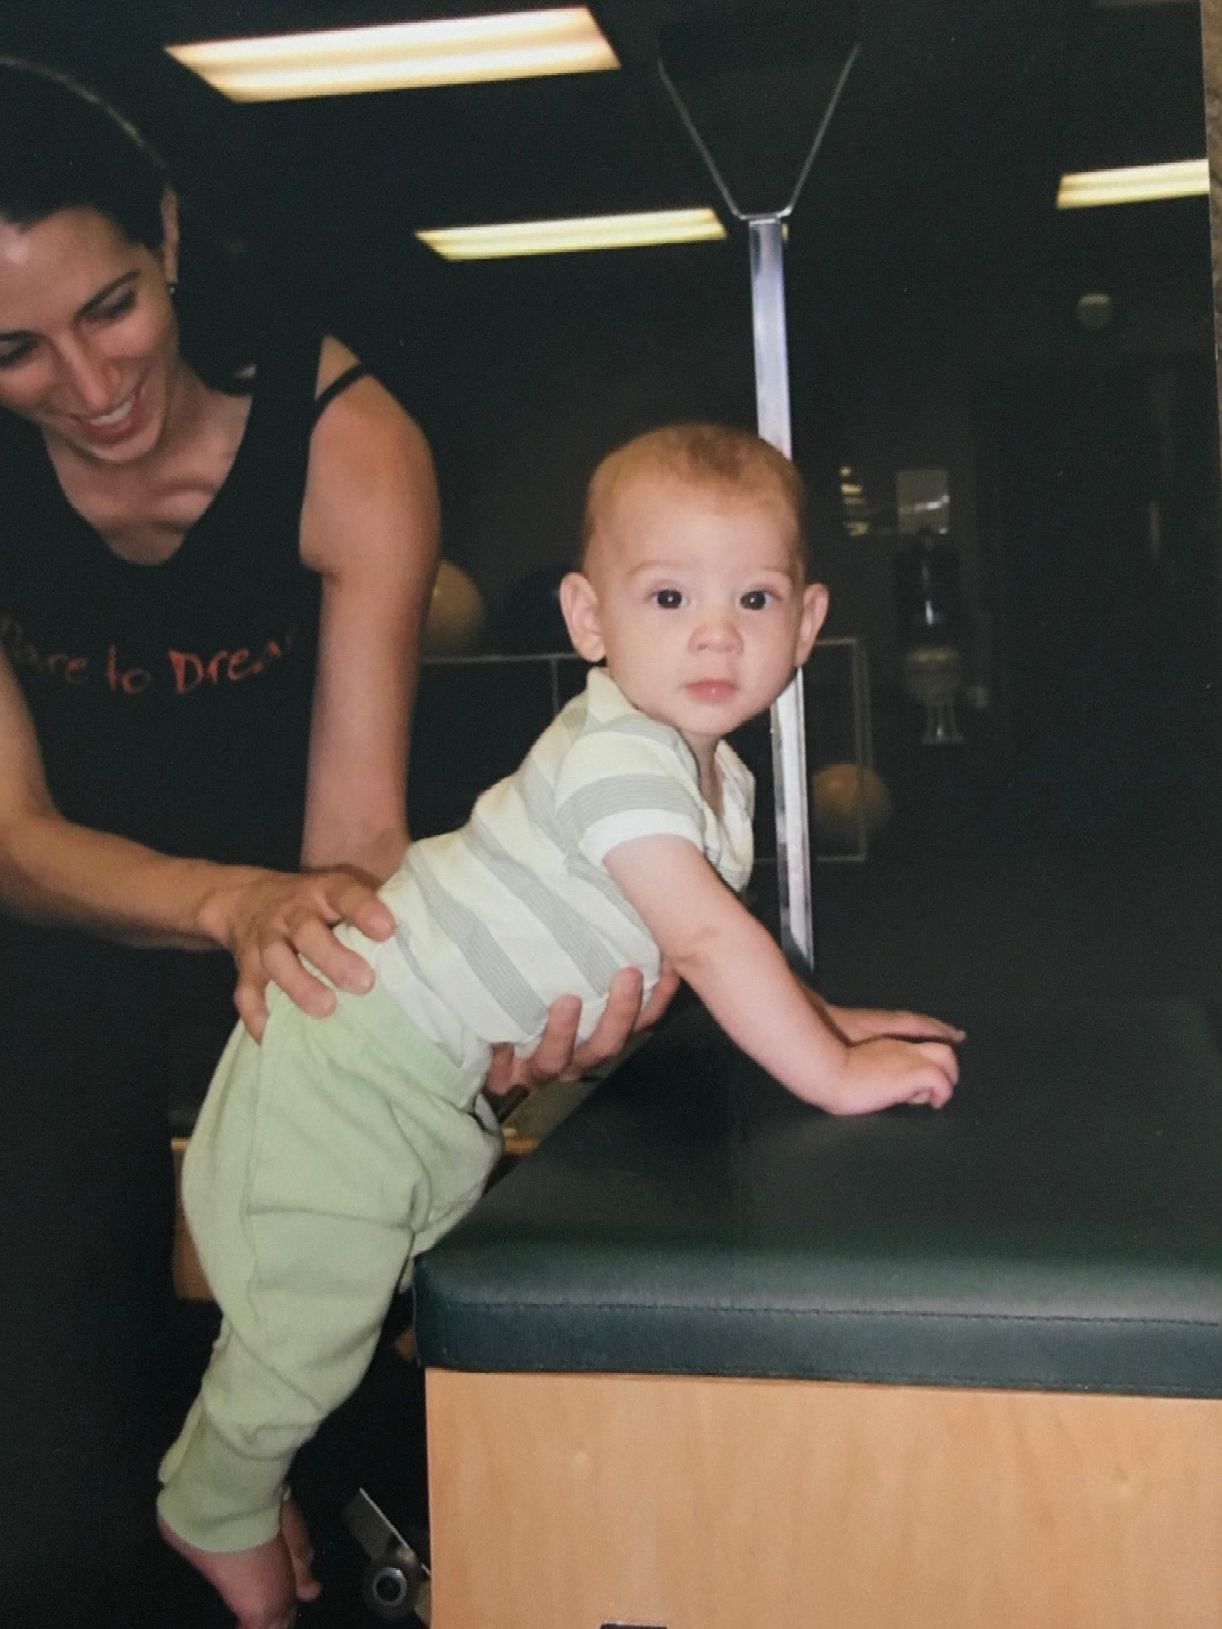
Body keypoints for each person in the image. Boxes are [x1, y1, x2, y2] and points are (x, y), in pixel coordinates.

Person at [0, 58, 667, 1625]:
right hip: (69, 933)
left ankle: (270, 1489)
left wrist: (447, 1019)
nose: (87, 384)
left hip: (307, 919)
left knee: (365, 1252)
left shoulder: (343, 440)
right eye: (11, 350)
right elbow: (13, 840)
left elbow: (353, 842)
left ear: (165, 236)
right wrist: (228, 904)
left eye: (110, 308)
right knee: (55, 1473)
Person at [158, 422, 963, 1629]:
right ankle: (212, 1504)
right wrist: (834, 1070)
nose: (714, 632)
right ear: (590, 621)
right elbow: (701, 944)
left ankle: (247, 1457)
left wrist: (819, 1014)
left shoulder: (710, 773)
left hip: (423, 1077)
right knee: (313, 1326)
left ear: (804, 627)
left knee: (355, 1289)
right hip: (353, 1052)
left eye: (753, 598)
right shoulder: (619, 764)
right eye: (669, 595)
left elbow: (710, 945)